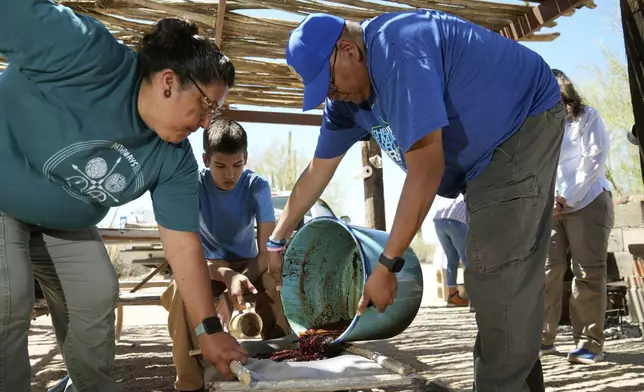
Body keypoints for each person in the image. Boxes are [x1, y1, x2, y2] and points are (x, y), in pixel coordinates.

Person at [270, 10, 565, 392]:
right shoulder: (345, 101)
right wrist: (277, 238)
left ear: (348, 50)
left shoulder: (398, 51)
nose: (331, 95)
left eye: (328, 84)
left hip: (519, 128)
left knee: (497, 276)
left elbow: (426, 169)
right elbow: (316, 172)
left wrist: (387, 262)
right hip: (478, 166)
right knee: (504, 291)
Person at [0, 2, 249, 391]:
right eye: (206, 105)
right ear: (169, 81)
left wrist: (209, 330)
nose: (206, 124)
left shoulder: (175, 159)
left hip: (62, 223)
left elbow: (183, 247)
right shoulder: (85, 52)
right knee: (7, 297)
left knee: (97, 293)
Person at [161, 119, 291, 392]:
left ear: (246, 158)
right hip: (206, 265)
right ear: (206, 159)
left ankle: (283, 369)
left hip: (249, 265)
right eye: (220, 166)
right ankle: (189, 383)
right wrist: (227, 276)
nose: (230, 174)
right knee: (178, 291)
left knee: (275, 280)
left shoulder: (257, 186)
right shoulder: (192, 187)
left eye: (237, 165)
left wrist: (239, 281)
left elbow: (267, 252)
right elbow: (187, 255)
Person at [540, 69, 614, 364]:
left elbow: (593, 160)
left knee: (587, 273)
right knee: (547, 272)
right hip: (551, 207)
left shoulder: (588, 117)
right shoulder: (539, 125)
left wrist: (565, 198)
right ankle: (543, 339)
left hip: (588, 201)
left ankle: (589, 344)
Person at [433, 194, 469, 307]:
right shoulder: (472, 190)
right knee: (467, 259)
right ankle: (474, 300)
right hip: (457, 220)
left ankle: (453, 297)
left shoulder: (453, 190)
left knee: (451, 259)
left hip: (439, 219)